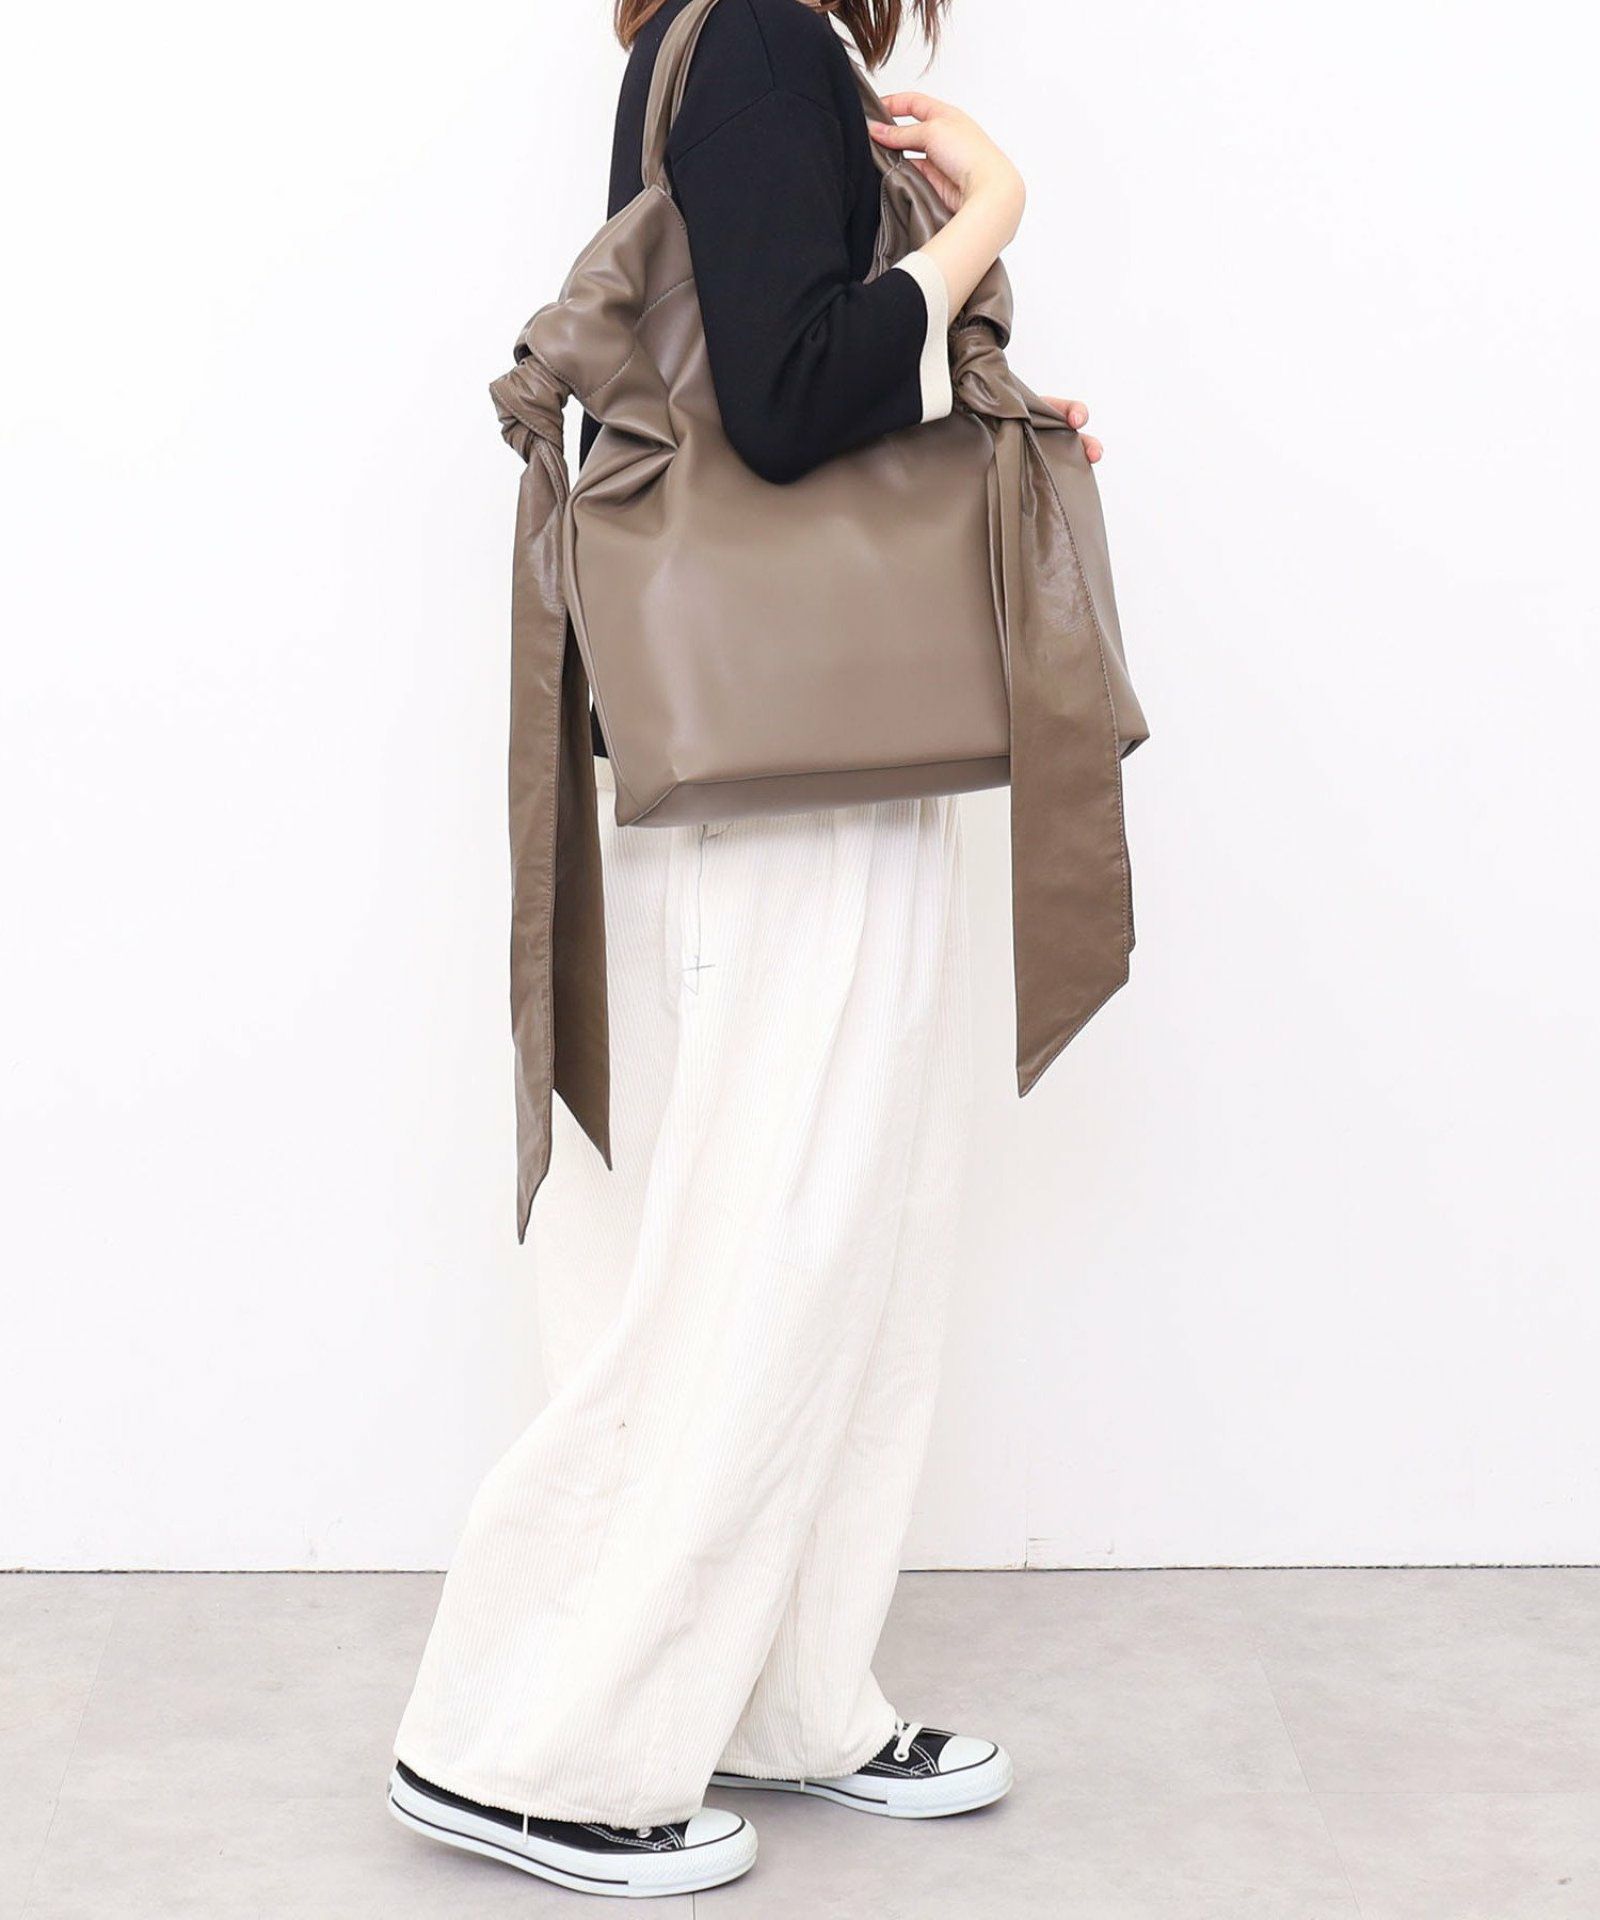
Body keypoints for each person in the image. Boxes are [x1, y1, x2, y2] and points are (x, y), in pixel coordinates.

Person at [388, 0, 1102, 1896]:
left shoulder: (739, 43)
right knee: (763, 1246)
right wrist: (986, 220)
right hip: (791, 777)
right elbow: (786, 405)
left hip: (809, 749)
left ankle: (779, 1693)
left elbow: (768, 368)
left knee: (831, 1237)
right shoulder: (772, 36)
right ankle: (522, 1743)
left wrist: (984, 406)